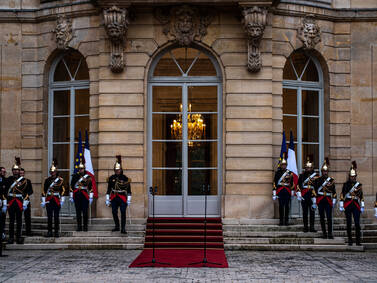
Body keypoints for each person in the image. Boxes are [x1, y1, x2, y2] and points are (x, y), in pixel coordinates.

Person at [6, 157, 32, 244]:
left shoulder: (24, 181)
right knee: (11, 221)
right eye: (14, 170)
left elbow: (27, 192)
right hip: (11, 201)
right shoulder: (8, 179)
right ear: (12, 171)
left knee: (19, 220)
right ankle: (11, 237)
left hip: (19, 201)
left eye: (17, 170)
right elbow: (5, 191)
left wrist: (25, 201)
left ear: (19, 171)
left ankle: (18, 237)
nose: (15, 172)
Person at [339, 161, 364, 246]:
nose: (352, 178)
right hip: (348, 204)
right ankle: (350, 240)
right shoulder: (345, 185)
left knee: (357, 223)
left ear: (355, 176)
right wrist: (341, 204)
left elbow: (361, 196)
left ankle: (358, 240)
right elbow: (342, 194)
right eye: (351, 176)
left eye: (353, 176)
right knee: (349, 223)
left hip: (356, 204)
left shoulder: (359, 185)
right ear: (349, 176)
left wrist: (363, 205)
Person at [312, 158, 336, 239]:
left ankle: (330, 233)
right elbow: (314, 191)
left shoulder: (331, 180)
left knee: (329, 218)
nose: (325, 172)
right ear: (321, 171)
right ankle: (324, 233)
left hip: (328, 200)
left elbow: (334, 191)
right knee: (322, 218)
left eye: (326, 171)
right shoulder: (317, 180)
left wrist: (334, 200)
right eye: (324, 171)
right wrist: (314, 202)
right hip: (321, 200)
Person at [106, 155, 132, 234]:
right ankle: (117, 226)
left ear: (121, 169)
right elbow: (108, 189)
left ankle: (123, 228)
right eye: (116, 170)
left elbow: (129, 190)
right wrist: (107, 199)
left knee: (123, 212)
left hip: (122, 197)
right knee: (114, 212)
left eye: (118, 169)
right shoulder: (111, 178)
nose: (117, 171)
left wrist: (129, 199)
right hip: (114, 196)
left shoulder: (125, 178)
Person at [41, 159, 65, 237]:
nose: (52, 173)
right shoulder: (47, 180)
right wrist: (43, 200)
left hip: (56, 199)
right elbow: (44, 190)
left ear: (56, 172)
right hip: (49, 199)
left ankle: (56, 231)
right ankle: (49, 231)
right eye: (51, 172)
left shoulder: (60, 180)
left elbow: (63, 190)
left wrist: (62, 198)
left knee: (56, 216)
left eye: (53, 172)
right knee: (50, 217)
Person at [70, 160, 93, 232]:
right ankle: (79, 226)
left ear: (84, 169)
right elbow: (71, 187)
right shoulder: (75, 176)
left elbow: (90, 187)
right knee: (78, 212)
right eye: (79, 169)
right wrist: (71, 196)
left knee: (85, 212)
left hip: (84, 195)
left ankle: (85, 226)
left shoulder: (88, 177)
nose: (81, 170)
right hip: (77, 194)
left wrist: (91, 196)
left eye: (82, 169)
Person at [296, 156, 317, 232]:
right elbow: (298, 185)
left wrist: (316, 197)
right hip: (304, 195)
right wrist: (299, 194)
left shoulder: (315, 176)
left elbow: (317, 187)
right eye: (307, 168)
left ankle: (312, 227)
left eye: (309, 168)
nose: (308, 169)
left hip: (312, 195)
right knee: (305, 212)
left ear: (312, 168)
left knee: (312, 212)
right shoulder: (301, 176)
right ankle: (305, 227)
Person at [273, 154, 294, 226]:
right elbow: (275, 183)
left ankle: (286, 221)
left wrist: (292, 191)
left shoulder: (290, 173)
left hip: (287, 191)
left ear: (286, 165)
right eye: (282, 165)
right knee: (281, 206)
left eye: (285, 165)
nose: (283, 166)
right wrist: (274, 192)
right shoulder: (278, 173)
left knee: (287, 207)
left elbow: (292, 183)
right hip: (280, 191)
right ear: (280, 165)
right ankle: (281, 221)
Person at [20, 168, 33, 236]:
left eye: (22, 173)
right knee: (19, 217)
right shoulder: (16, 181)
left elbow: (31, 191)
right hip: (18, 200)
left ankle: (28, 231)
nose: (21, 174)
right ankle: (19, 232)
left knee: (27, 216)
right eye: (20, 173)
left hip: (26, 200)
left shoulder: (28, 181)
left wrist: (26, 195)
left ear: (24, 173)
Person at [0, 167, 6, 241]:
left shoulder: (5, 180)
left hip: (3, 202)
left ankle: (2, 233)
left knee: (2, 219)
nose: (4, 173)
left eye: (5, 172)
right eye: (3, 171)